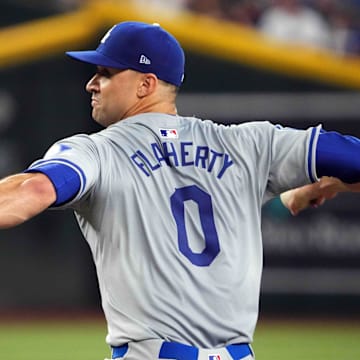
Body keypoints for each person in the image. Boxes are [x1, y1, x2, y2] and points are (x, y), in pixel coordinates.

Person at [0, 21, 359, 360]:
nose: (91, 84)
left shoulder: (96, 152)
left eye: (106, 73)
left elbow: (33, 189)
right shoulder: (250, 143)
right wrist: (335, 180)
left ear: (146, 84)